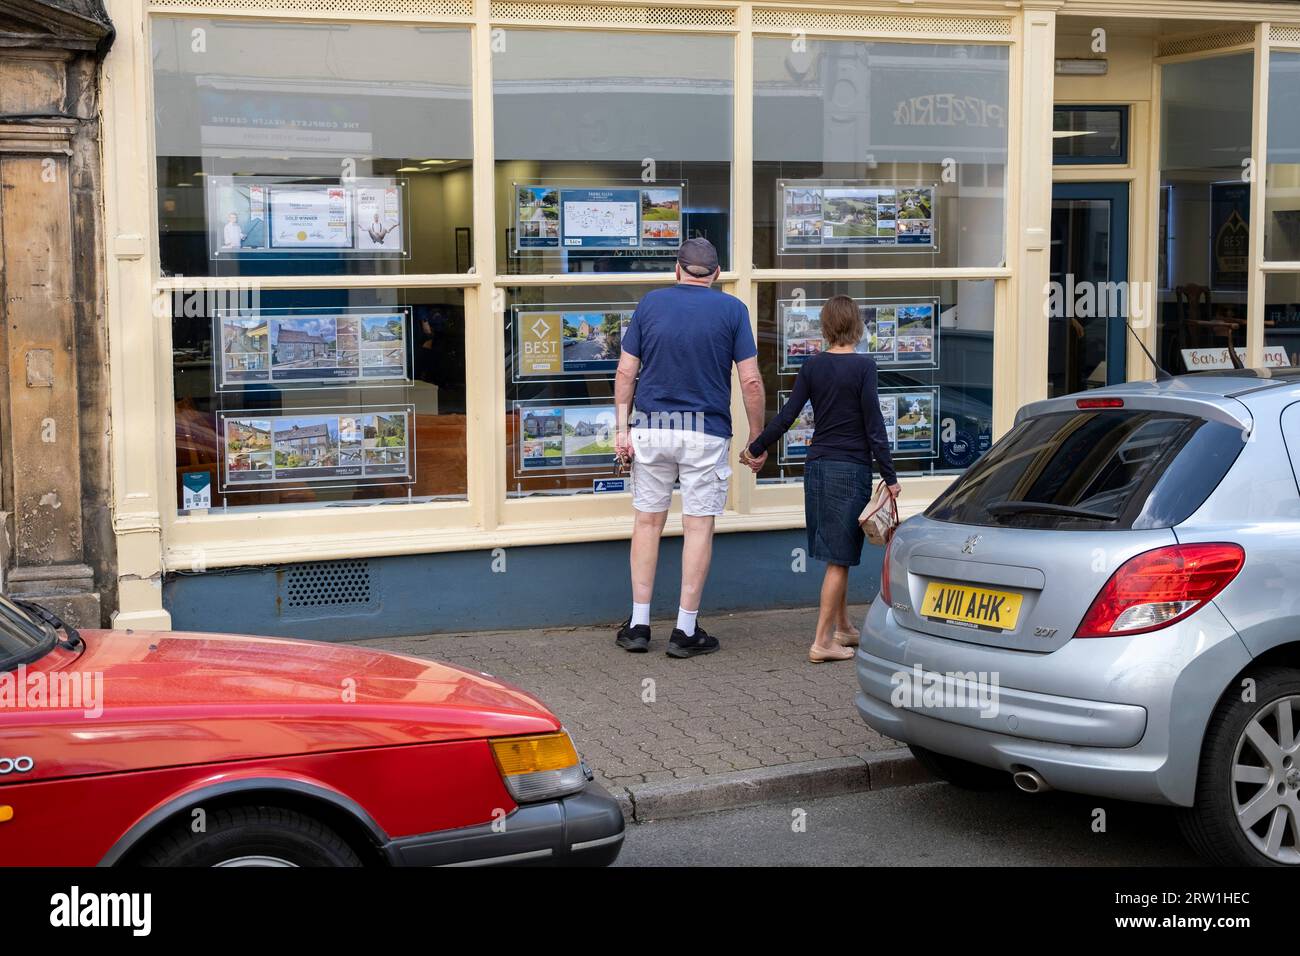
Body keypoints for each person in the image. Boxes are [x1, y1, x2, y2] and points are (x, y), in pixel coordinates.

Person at [613, 238, 765, 658]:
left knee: (647, 523)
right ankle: (684, 630)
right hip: (705, 431)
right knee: (697, 526)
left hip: (652, 426)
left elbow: (627, 370)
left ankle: (639, 624)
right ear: (716, 275)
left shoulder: (650, 304)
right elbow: (750, 381)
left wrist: (621, 428)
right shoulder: (733, 310)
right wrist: (757, 436)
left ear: (677, 270)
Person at [741, 295, 900, 663]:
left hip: (816, 469)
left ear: (825, 327)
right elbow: (875, 426)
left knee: (834, 553)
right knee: (839, 560)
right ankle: (822, 642)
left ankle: (843, 626)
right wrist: (890, 476)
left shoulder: (812, 365)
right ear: (856, 327)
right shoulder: (864, 367)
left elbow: (786, 417)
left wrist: (756, 448)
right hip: (849, 470)